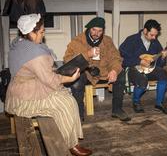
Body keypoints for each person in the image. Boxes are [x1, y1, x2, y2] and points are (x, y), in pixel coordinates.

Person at [5, 14, 92, 156]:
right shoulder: (36, 54)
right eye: (41, 32)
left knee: (64, 97)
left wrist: (56, 72)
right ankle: (69, 145)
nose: (43, 34)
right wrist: (70, 78)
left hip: (20, 89)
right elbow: (51, 80)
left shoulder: (18, 43)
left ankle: (71, 141)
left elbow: (36, 71)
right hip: (25, 98)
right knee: (67, 104)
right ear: (30, 33)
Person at [63, 17, 131, 122]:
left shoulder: (107, 41)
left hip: (103, 72)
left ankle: (117, 110)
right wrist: (88, 54)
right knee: (76, 81)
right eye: (94, 30)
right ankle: (78, 114)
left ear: (103, 31)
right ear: (89, 28)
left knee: (120, 73)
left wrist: (114, 70)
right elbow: (67, 60)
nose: (96, 33)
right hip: (86, 73)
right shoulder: (77, 41)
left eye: (100, 31)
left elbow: (115, 58)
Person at [119, 19, 167, 115]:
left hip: (148, 69)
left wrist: (163, 58)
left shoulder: (155, 42)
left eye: (156, 35)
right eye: (152, 35)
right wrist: (139, 61)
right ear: (145, 31)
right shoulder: (131, 40)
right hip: (132, 68)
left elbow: (159, 65)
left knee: (163, 73)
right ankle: (136, 102)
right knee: (142, 80)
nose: (154, 37)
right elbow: (121, 59)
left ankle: (159, 103)